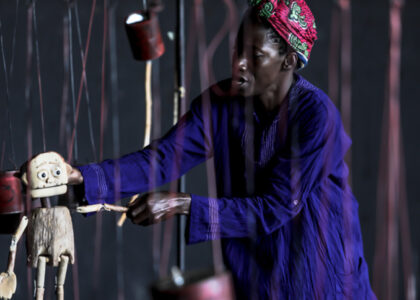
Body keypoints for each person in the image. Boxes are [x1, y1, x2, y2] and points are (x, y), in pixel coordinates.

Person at [64, 0, 376, 298]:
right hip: (256, 281)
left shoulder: (315, 114)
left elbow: (275, 207)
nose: (239, 64)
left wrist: (182, 204)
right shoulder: (220, 105)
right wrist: (83, 177)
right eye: (237, 49)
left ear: (289, 61)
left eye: (254, 55)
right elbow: (162, 160)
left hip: (320, 281)